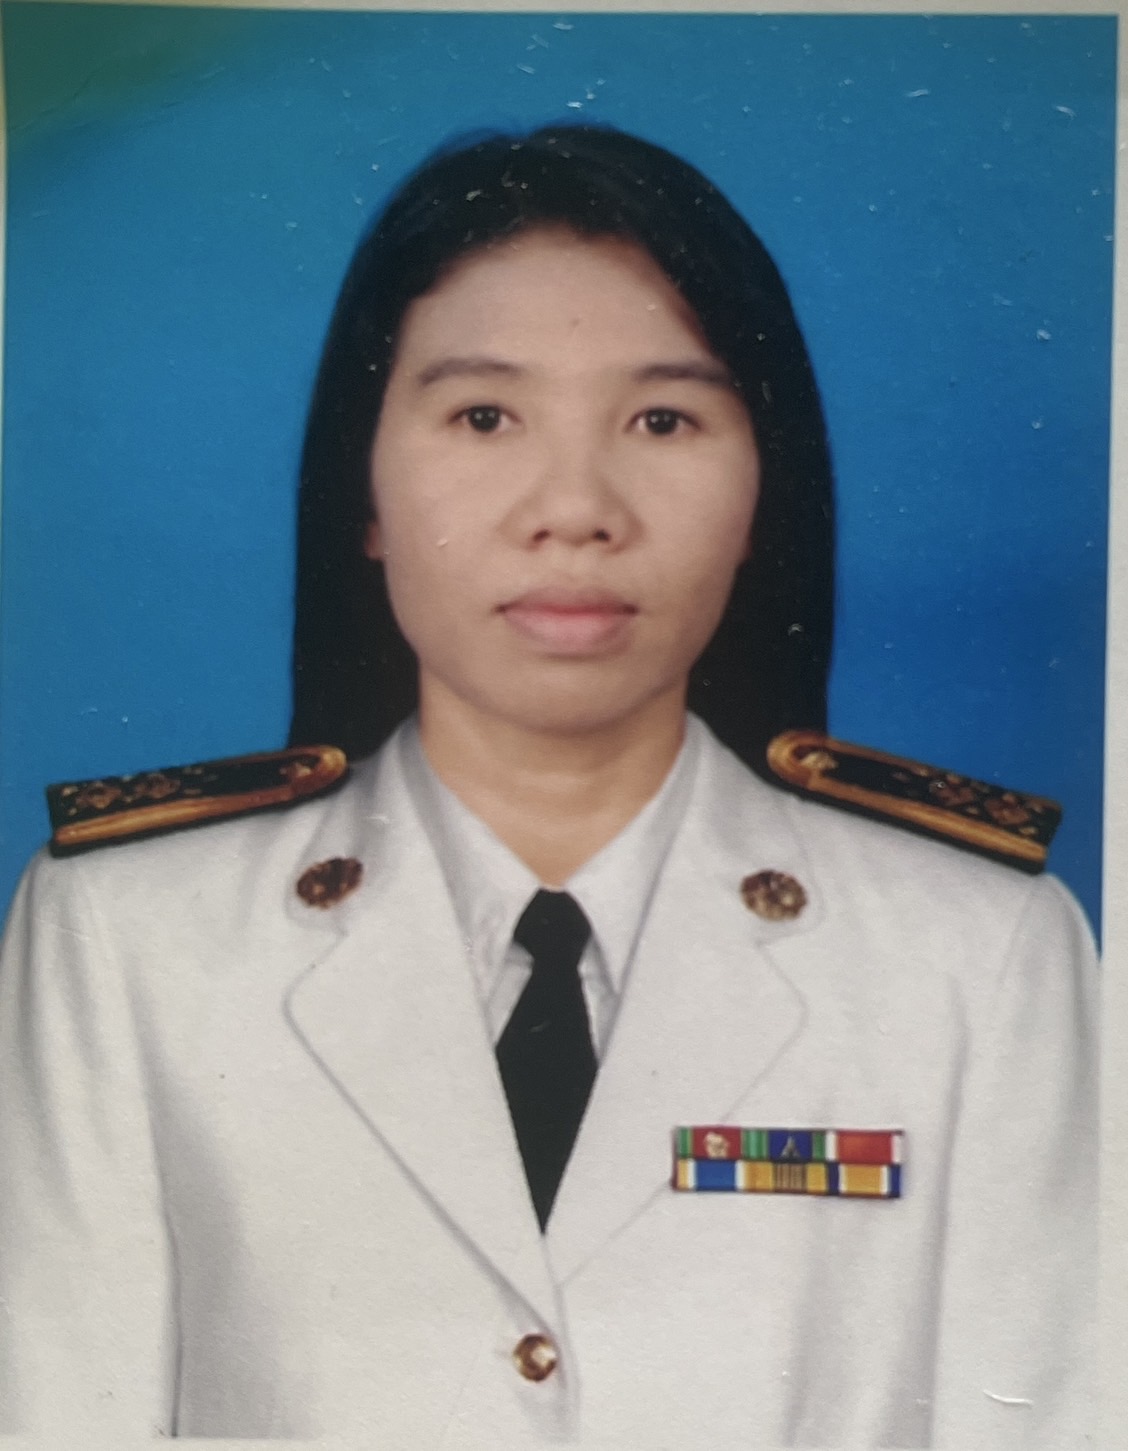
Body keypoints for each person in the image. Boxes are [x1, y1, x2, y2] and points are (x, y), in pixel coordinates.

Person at [0, 125, 1096, 1446]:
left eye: (662, 419)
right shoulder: (125, 937)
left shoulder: (980, 954)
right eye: (484, 416)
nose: (575, 508)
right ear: (364, 490)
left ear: (764, 494)